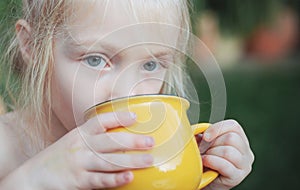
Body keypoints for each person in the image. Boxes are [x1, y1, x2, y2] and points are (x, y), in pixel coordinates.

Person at [0, 0, 254, 189]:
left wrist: (196, 180)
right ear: (31, 46)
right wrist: (32, 180)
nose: (127, 93)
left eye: (151, 65)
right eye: (96, 60)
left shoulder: (151, 151)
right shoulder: (7, 147)